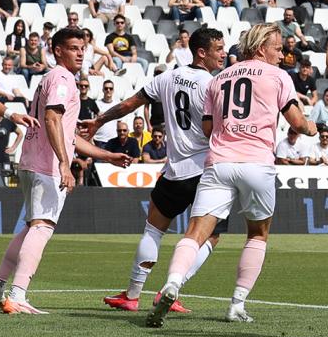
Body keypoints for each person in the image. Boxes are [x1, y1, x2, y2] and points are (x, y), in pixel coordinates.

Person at [147, 24, 318, 327]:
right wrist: (311, 127)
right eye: (278, 48)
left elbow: (208, 128)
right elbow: (296, 122)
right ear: (261, 46)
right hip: (256, 164)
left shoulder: (219, 79)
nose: (282, 54)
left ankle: (172, 283)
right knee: (257, 234)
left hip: (219, 163)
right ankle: (237, 304)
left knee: (195, 231)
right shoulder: (279, 77)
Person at [0, 27, 131, 314]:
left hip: (33, 162)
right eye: (73, 47)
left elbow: (68, 133)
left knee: (32, 227)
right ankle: (18, 294)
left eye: (82, 47)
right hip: (46, 166)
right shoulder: (62, 78)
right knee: (43, 227)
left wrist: (107, 154)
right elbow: (52, 118)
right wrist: (63, 163)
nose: (80, 52)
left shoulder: (52, 78)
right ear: (57, 51)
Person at [92, 28, 228, 314]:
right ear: (201, 52)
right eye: (218, 48)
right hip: (206, 171)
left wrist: (98, 121)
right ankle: (171, 289)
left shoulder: (166, 77)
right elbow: (216, 129)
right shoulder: (212, 85)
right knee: (211, 235)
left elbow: (129, 104)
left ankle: (131, 295)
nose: (223, 53)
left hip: (173, 172)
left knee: (153, 231)